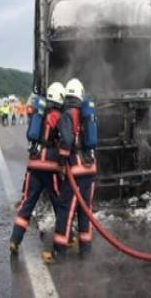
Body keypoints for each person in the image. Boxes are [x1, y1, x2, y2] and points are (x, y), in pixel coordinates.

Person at [9, 82, 72, 255]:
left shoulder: (39, 114)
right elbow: (66, 140)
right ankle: (67, 240)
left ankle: (15, 240)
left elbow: (31, 135)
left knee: (27, 203)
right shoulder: (60, 116)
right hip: (50, 167)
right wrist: (62, 161)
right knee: (60, 204)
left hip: (34, 164)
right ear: (61, 98)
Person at [44, 78, 97, 262]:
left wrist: (61, 160)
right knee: (85, 210)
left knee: (65, 211)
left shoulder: (67, 114)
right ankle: (86, 251)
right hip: (90, 169)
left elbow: (66, 140)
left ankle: (59, 253)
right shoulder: (87, 114)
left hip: (75, 170)